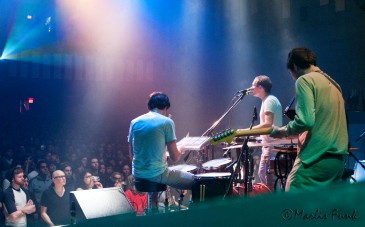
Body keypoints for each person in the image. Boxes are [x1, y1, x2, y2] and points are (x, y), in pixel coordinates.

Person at [270, 47, 348, 192]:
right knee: (323, 208)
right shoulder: (335, 85)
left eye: (290, 73)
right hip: (337, 160)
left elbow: (305, 121)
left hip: (315, 158)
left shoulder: (304, 80)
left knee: (292, 199)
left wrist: (282, 131)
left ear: (294, 66)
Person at [128, 92, 193, 193]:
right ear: (166, 107)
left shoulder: (135, 122)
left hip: (137, 174)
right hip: (157, 175)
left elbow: (132, 154)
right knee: (198, 182)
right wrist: (181, 148)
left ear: (149, 106)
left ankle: (153, 207)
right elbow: (175, 158)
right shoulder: (167, 122)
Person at [238, 75, 282, 187]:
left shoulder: (269, 101)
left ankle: (271, 203)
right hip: (269, 145)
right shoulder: (267, 100)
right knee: (263, 175)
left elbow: (268, 124)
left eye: (253, 85)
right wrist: (258, 138)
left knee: (267, 179)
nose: (251, 87)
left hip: (271, 147)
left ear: (261, 87)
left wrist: (246, 131)